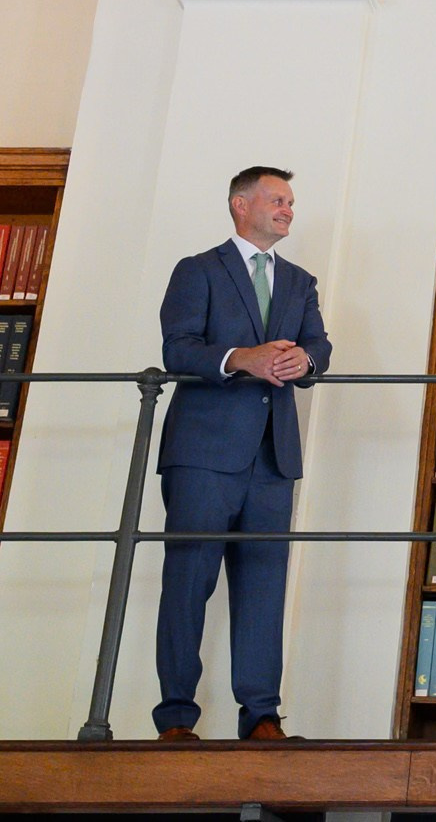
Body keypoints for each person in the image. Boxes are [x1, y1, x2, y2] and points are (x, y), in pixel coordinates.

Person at [152, 166, 332, 741]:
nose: (288, 210)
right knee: (188, 581)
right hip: (203, 454)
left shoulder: (300, 282)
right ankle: (177, 718)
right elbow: (178, 348)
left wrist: (304, 361)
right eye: (277, 199)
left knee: (262, 587)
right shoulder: (198, 270)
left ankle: (261, 717)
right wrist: (240, 358)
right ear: (240, 204)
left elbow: (319, 346)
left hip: (273, 459)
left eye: (291, 202)